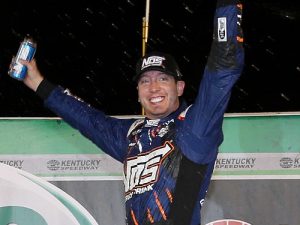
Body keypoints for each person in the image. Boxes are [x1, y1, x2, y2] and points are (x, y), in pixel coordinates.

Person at [17, 0, 244, 224]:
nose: (153, 87)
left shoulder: (194, 126)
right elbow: (87, 119)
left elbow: (223, 68)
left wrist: (227, 7)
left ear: (180, 87)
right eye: (145, 81)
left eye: (163, 79)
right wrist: (39, 83)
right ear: (138, 92)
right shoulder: (132, 135)